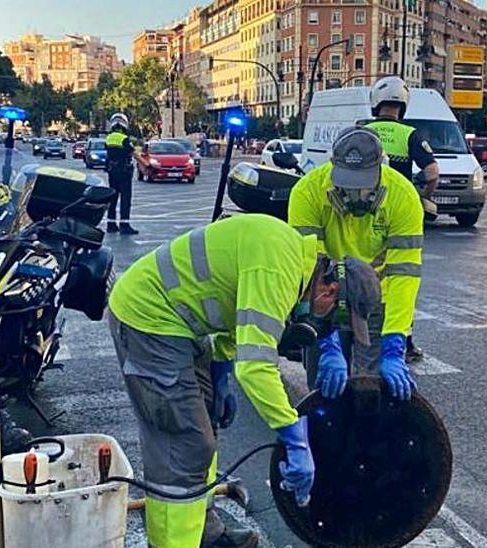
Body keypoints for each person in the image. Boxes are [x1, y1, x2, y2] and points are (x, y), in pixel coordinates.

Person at [108, 213, 382, 548]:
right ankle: (170, 543)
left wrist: (221, 370)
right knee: (184, 444)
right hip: (149, 318)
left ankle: (205, 534)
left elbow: (232, 311)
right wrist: (293, 436)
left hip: (181, 323)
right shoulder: (279, 269)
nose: (327, 322)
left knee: (205, 424)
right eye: (336, 315)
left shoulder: (291, 260)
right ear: (330, 288)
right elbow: (255, 367)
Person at [289, 126, 424, 402]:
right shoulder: (307, 192)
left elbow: (404, 274)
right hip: (327, 296)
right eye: (347, 185)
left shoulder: (403, 196)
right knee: (325, 389)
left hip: (375, 299)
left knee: (372, 390)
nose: (355, 195)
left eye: (363, 185)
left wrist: (395, 342)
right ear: (332, 168)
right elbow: (308, 271)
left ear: (380, 171)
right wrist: (325, 340)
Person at [362, 76, 436, 364]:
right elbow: (432, 171)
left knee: (357, 272)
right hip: (398, 214)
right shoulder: (410, 134)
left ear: (376, 103)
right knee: (400, 279)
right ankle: (404, 341)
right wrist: (423, 199)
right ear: (402, 105)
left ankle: (355, 332)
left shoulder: (361, 130)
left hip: (361, 212)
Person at [105, 113, 142, 235]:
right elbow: (134, 154)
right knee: (125, 199)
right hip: (124, 172)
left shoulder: (109, 138)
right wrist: (147, 164)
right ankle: (124, 225)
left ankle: (111, 224)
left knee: (113, 198)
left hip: (112, 172)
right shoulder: (124, 139)